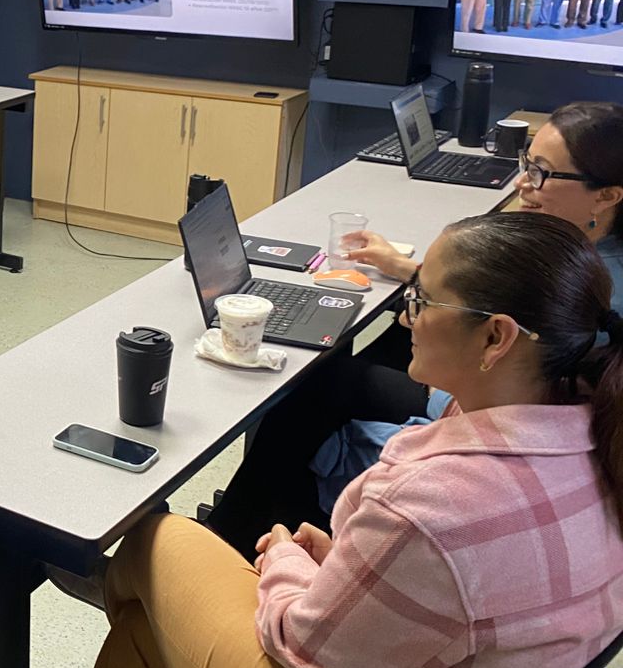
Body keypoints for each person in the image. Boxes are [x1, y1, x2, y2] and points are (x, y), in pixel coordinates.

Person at [41, 209, 623, 668]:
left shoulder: (434, 506)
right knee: (145, 640)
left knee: (161, 539)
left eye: (423, 300)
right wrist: (350, 566)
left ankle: (117, 580)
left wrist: (288, 564)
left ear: (496, 337)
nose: (407, 315)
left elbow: (308, 649)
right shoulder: (592, 438)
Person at [205, 101, 623, 558]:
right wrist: (407, 270)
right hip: (501, 387)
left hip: (492, 398)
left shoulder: (597, 290)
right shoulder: (579, 256)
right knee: (364, 356)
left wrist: (444, 393)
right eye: (527, 163)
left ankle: (234, 532)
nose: (523, 183)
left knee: (319, 384)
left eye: (541, 172)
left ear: (607, 195)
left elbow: (509, 377)